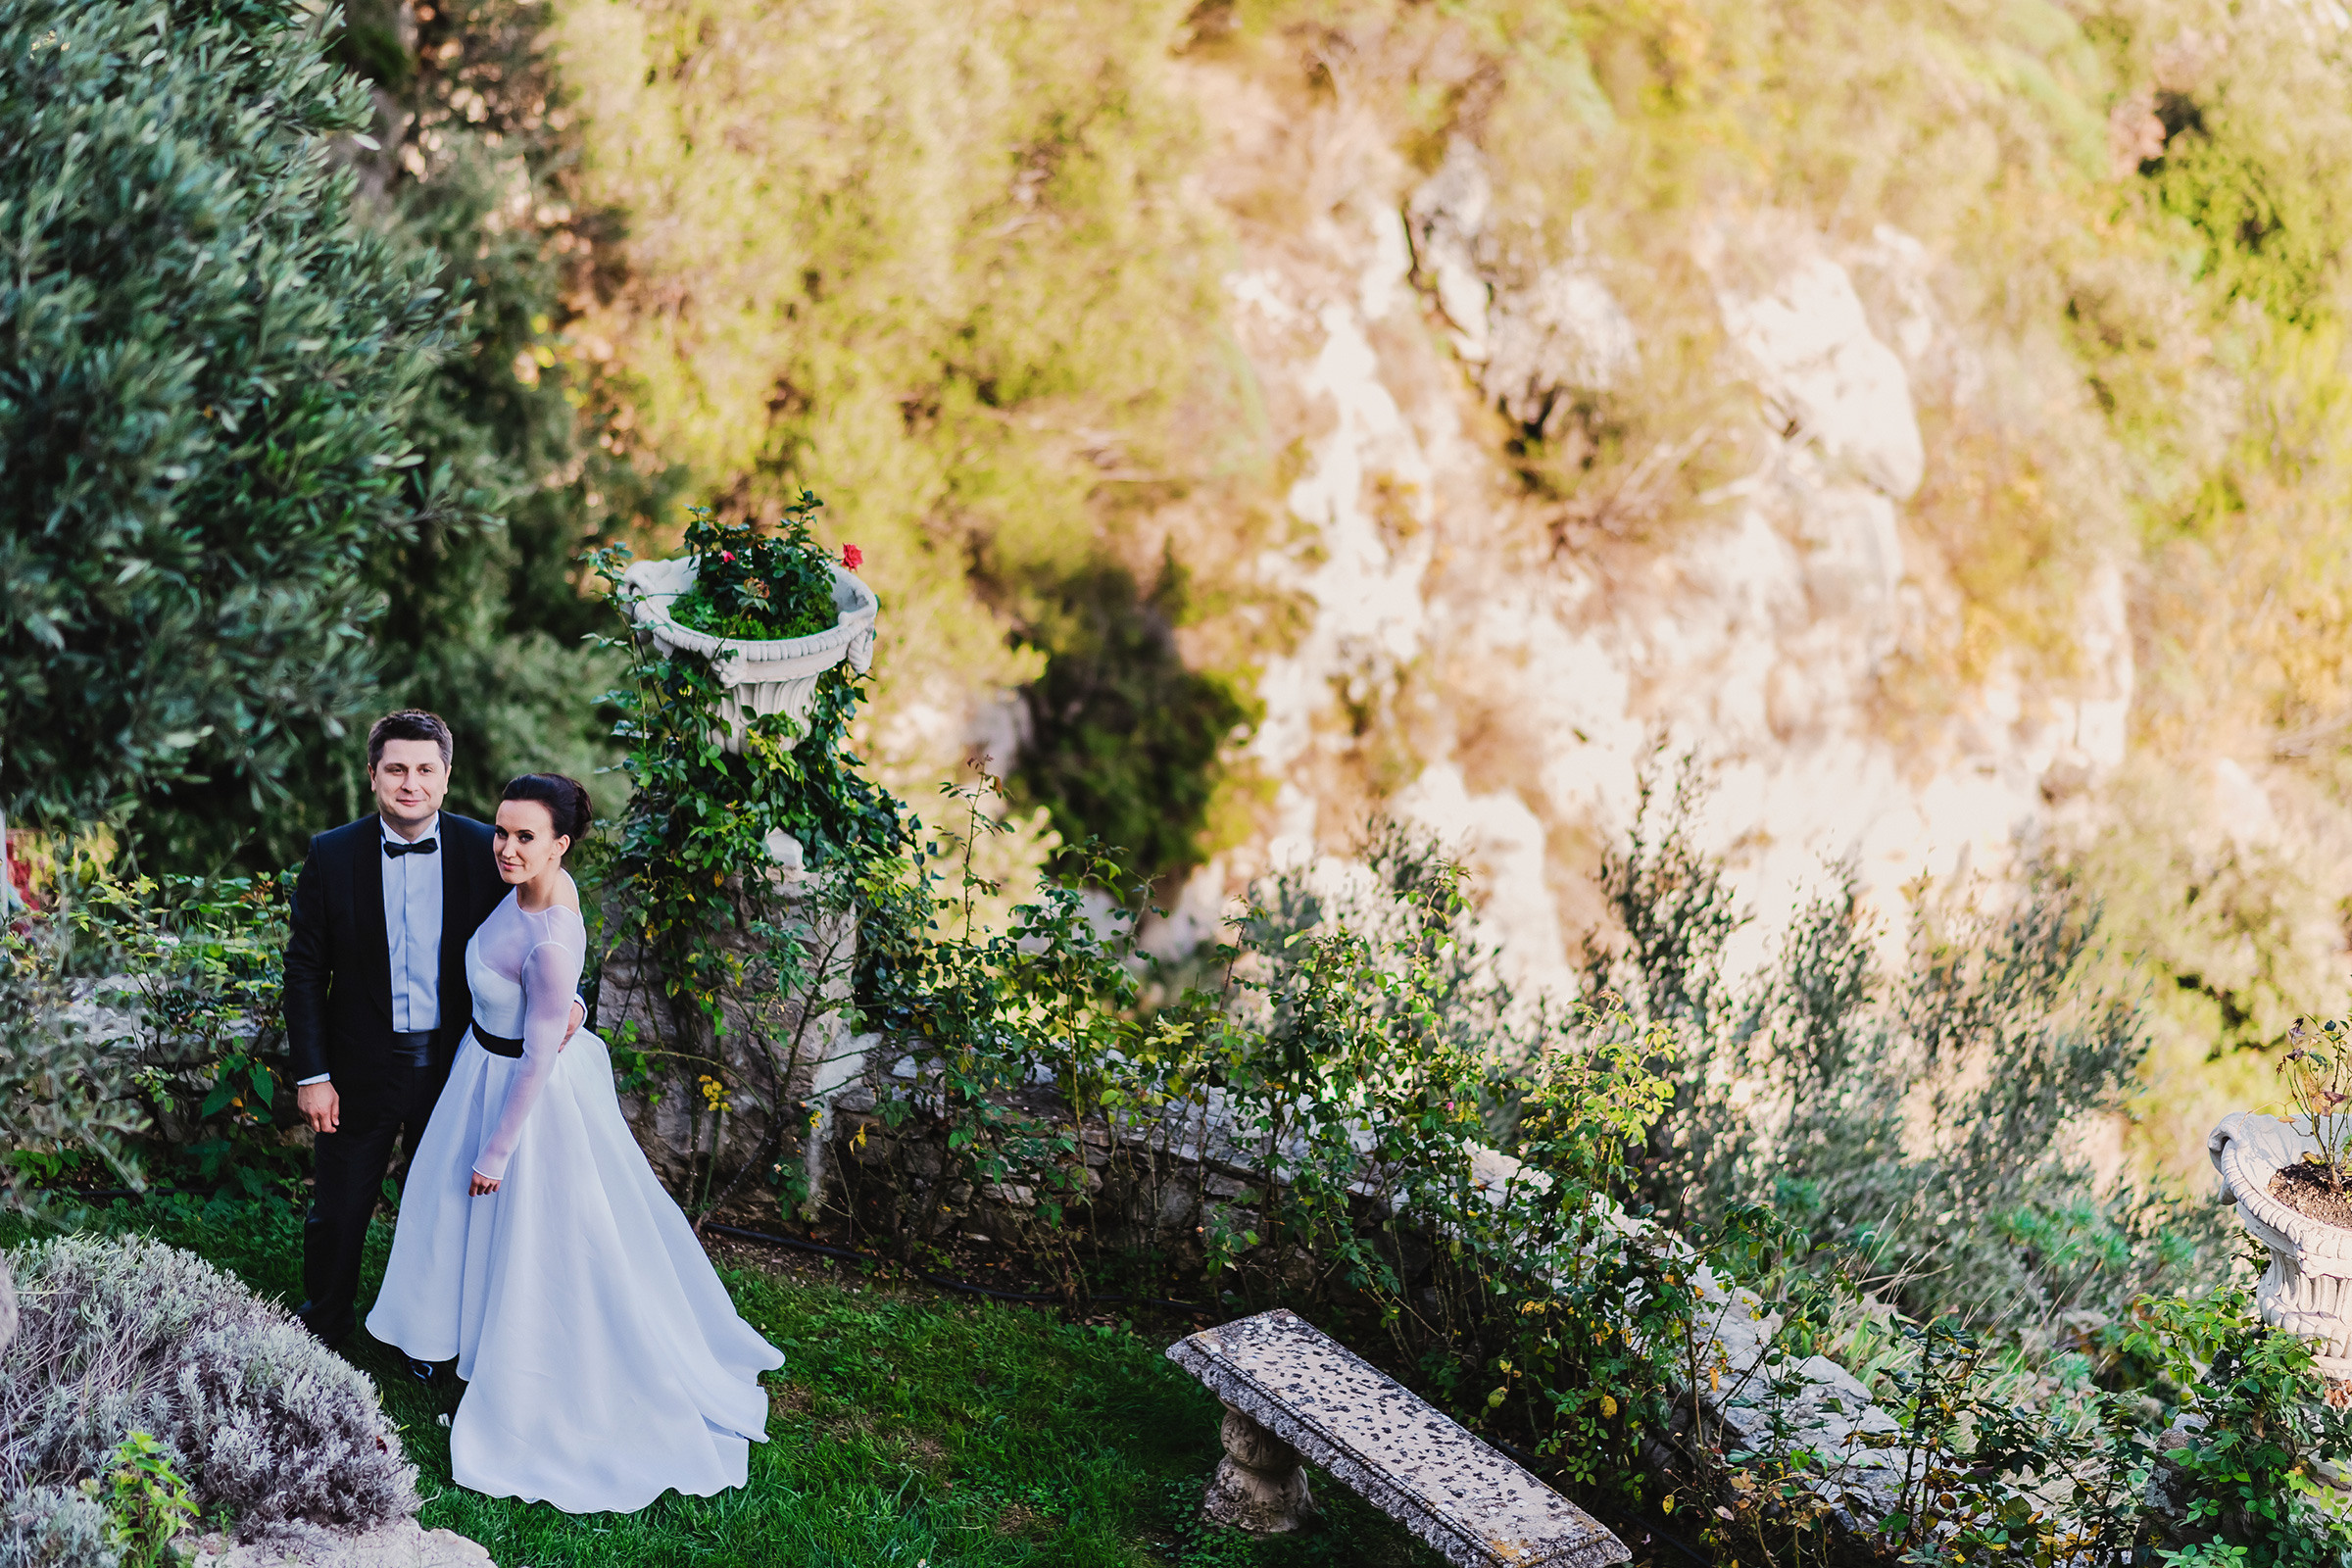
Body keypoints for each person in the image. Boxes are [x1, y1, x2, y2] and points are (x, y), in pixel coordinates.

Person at [366, 773, 782, 1513]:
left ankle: (525, 1360)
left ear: (561, 845)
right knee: (467, 1224)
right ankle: (456, 1338)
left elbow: (539, 1050)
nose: (506, 847)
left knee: (534, 1236)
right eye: (501, 831)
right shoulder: (544, 892)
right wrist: (573, 1005)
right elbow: (553, 1003)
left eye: (526, 837)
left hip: (523, 1096)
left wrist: (496, 1151)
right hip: (483, 1066)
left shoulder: (551, 935)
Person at [283, 710, 581, 1351]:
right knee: (337, 1211)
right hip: (358, 1068)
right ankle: (323, 1326)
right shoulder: (331, 855)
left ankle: (442, 1339)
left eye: (425, 769)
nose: (410, 782)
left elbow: (548, 913)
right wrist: (313, 1073)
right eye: (396, 768)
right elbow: (305, 968)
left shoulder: (491, 848)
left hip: (458, 1068)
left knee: (456, 1214)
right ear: (373, 776)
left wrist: (570, 996)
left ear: (446, 778)